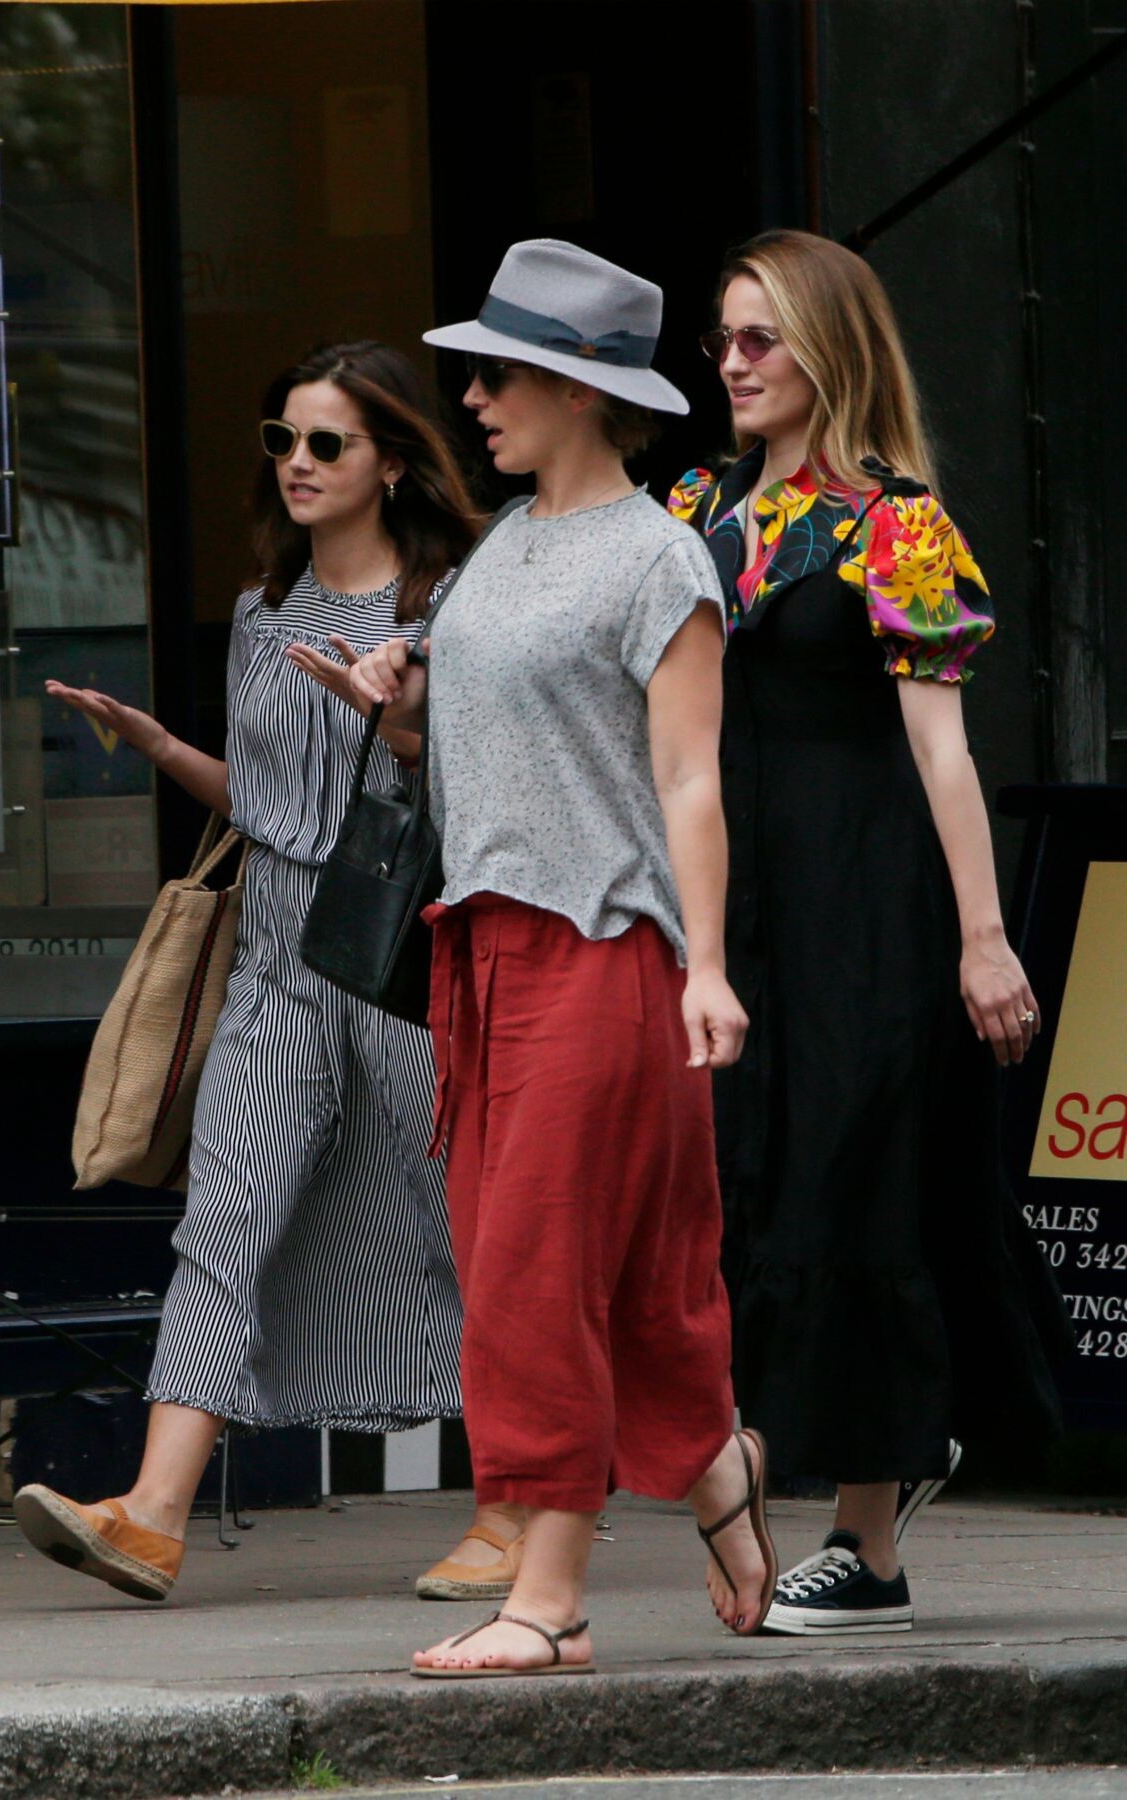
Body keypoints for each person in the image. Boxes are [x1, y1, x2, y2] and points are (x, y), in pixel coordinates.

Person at [13, 341, 526, 1606]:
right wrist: (159, 746)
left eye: (326, 443)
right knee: (225, 1217)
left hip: (403, 958)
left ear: (391, 462)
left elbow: (491, 784)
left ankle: (520, 1509)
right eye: (281, 440)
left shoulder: (451, 608)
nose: (297, 463)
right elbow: (263, 801)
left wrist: (391, 722)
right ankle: (152, 1515)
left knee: (465, 1229)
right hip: (279, 962)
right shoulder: (263, 610)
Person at [342, 240, 778, 1678]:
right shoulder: (502, 547)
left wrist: (705, 965)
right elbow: (504, 744)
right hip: (481, 950)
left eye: (499, 374)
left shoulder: (659, 557)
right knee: (600, 1276)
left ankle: (552, 1600)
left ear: (581, 389)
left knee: (536, 1271)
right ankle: (716, 1467)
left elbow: (691, 779)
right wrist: (401, 697)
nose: (472, 399)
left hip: (605, 948)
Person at [669, 229, 1070, 1635]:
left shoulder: (898, 522)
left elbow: (944, 751)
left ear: (829, 351)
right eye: (721, 339)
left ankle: (861, 1536)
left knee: (857, 1187)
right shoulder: (690, 509)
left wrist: (983, 938)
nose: (732, 364)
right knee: (749, 1183)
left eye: (759, 339)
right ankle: (784, 1488)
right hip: (733, 907)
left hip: (867, 903)